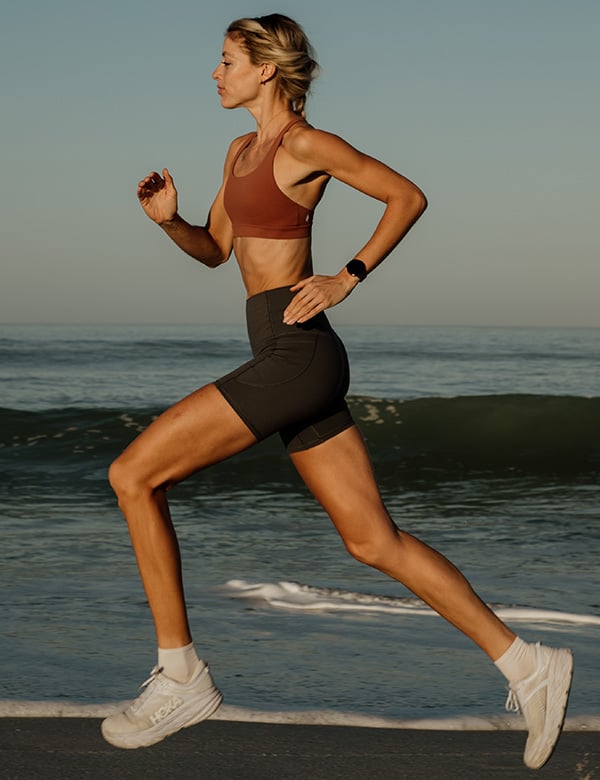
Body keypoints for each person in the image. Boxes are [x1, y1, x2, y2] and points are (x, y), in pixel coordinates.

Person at [101, 14, 573, 769]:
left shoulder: (303, 146)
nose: (214, 73)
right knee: (371, 540)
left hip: (295, 355)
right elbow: (217, 251)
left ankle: (181, 675)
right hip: (290, 354)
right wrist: (170, 222)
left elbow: (406, 196)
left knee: (132, 475)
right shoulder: (238, 151)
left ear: (265, 69)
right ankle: (529, 663)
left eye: (225, 60)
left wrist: (345, 278)